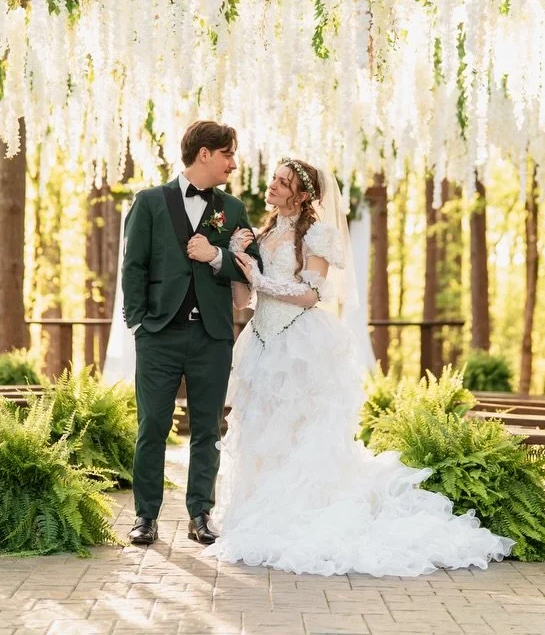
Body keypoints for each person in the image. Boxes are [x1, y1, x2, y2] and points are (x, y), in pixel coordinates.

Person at [208, 158, 512, 576]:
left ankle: (302, 510)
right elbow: (244, 301)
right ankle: (259, 507)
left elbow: (311, 294)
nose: (273, 186)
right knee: (263, 429)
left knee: (300, 429)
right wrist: (237, 258)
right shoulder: (260, 233)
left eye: (282, 182)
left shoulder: (319, 234)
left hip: (300, 343)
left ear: (301, 194)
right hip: (262, 343)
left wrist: (259, 278)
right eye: (274, 180)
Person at [119, 120, 260, 546]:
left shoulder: (232, 210)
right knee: (152, 426)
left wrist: (218, 255)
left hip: (212, 336)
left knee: (207, 428)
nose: (232, 164)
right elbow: (134, 266)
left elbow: (253, 268)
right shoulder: (149, 203)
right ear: (204, 154)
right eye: (227, 155)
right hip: (159, 334)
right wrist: (139, 322)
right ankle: (145, 516)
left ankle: (201, 513)